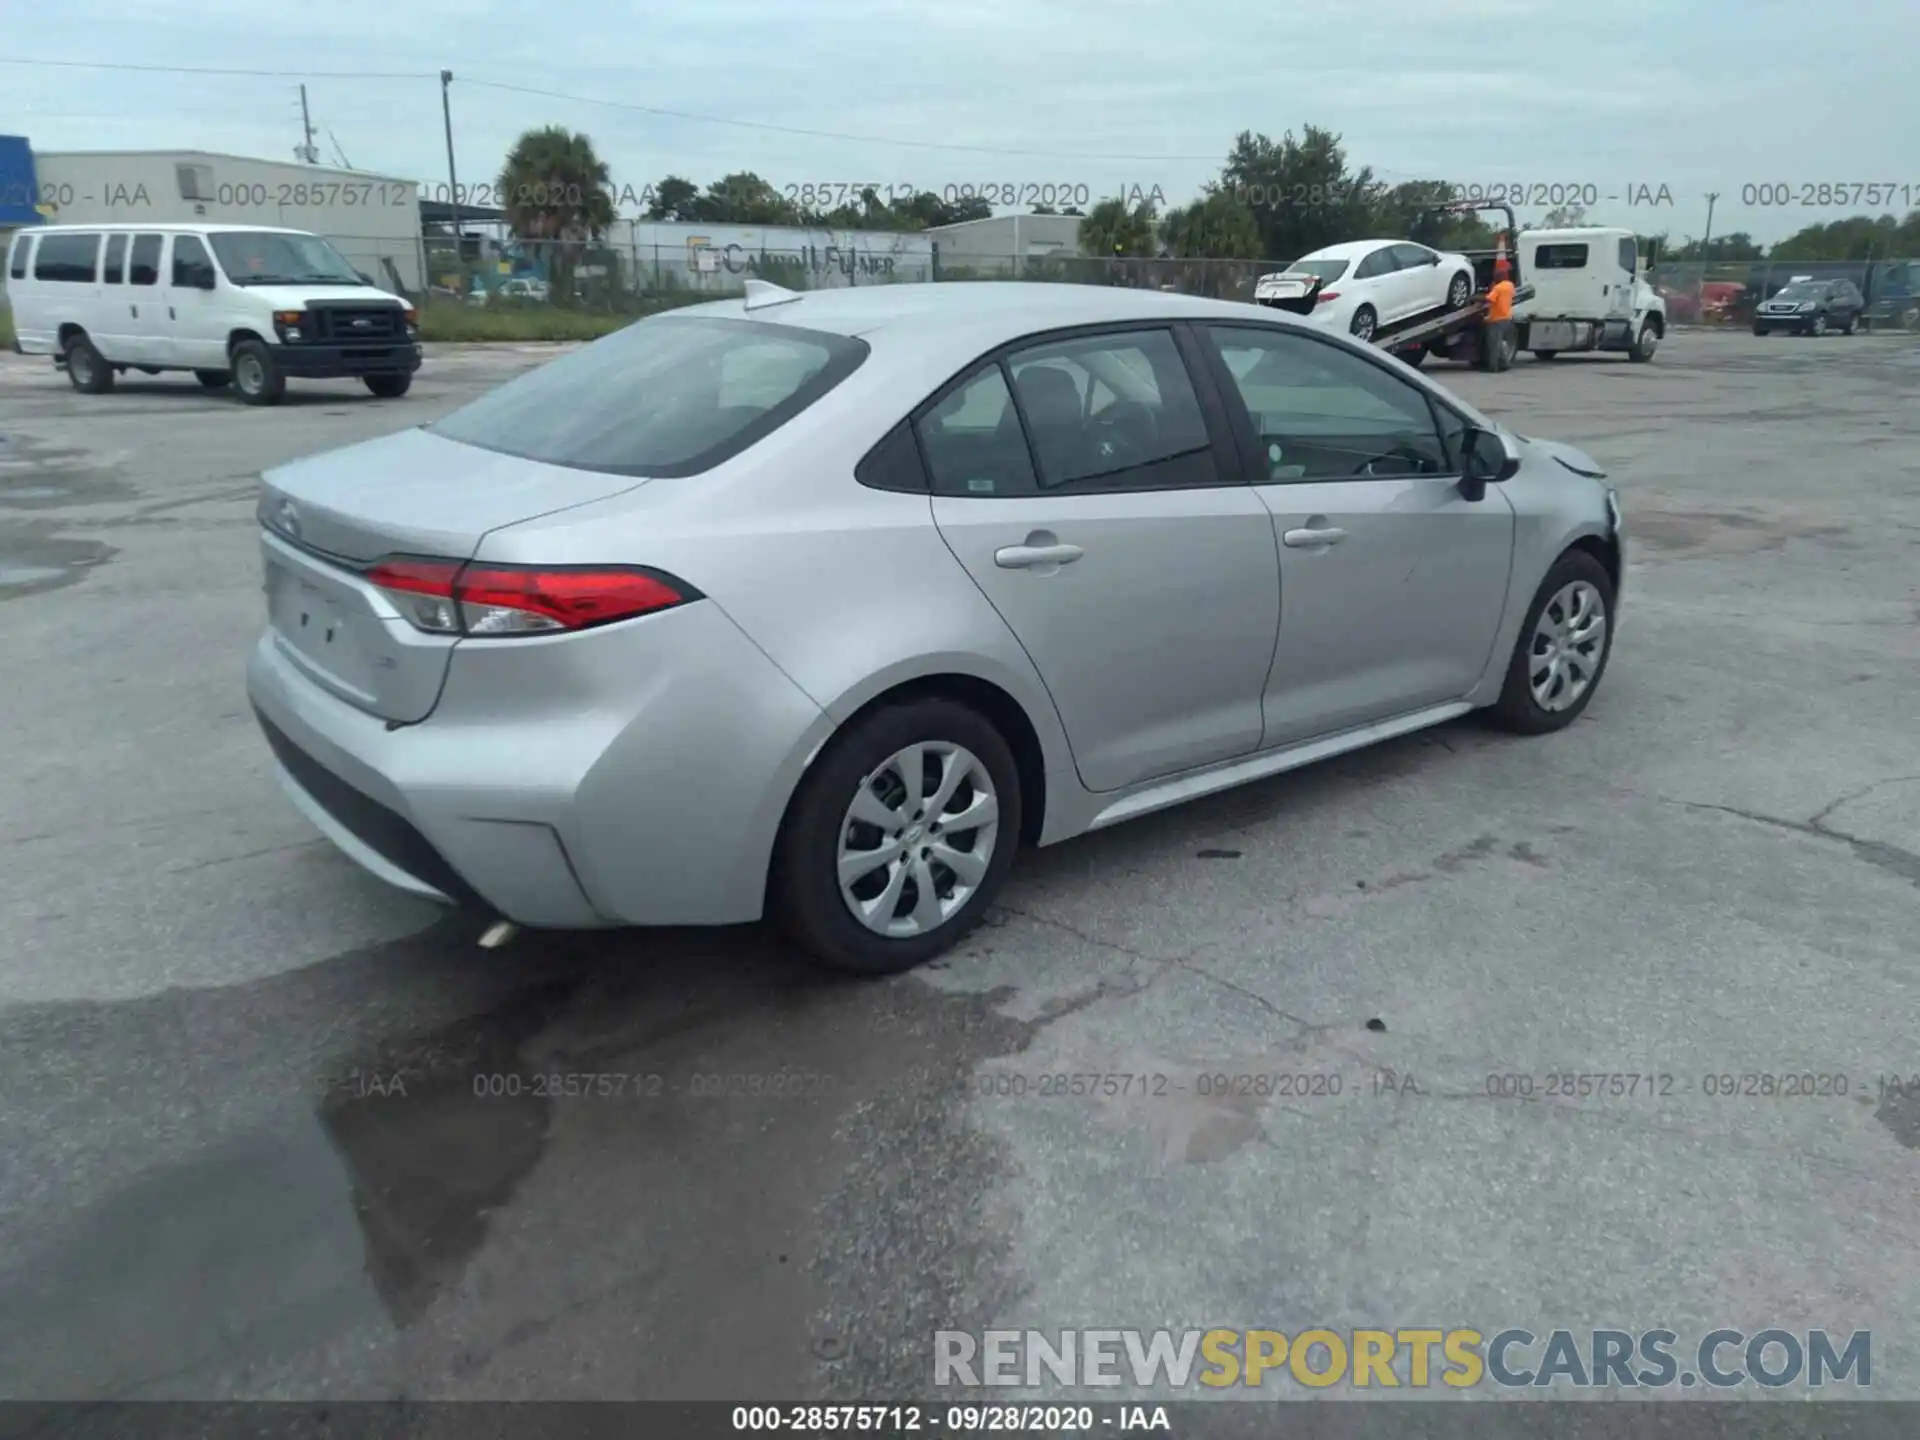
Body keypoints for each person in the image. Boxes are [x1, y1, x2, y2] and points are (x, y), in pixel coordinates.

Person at [1482, 256, 1516, 372]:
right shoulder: (1510, 286)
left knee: (1494, 344)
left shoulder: (1497, 288)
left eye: (1497, 274)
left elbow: (1488, 300)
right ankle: (1505, 364)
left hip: (1496, 319)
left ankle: (1494, 367)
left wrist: (1474, 298)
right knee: (1500, 342)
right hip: (1507, 318)